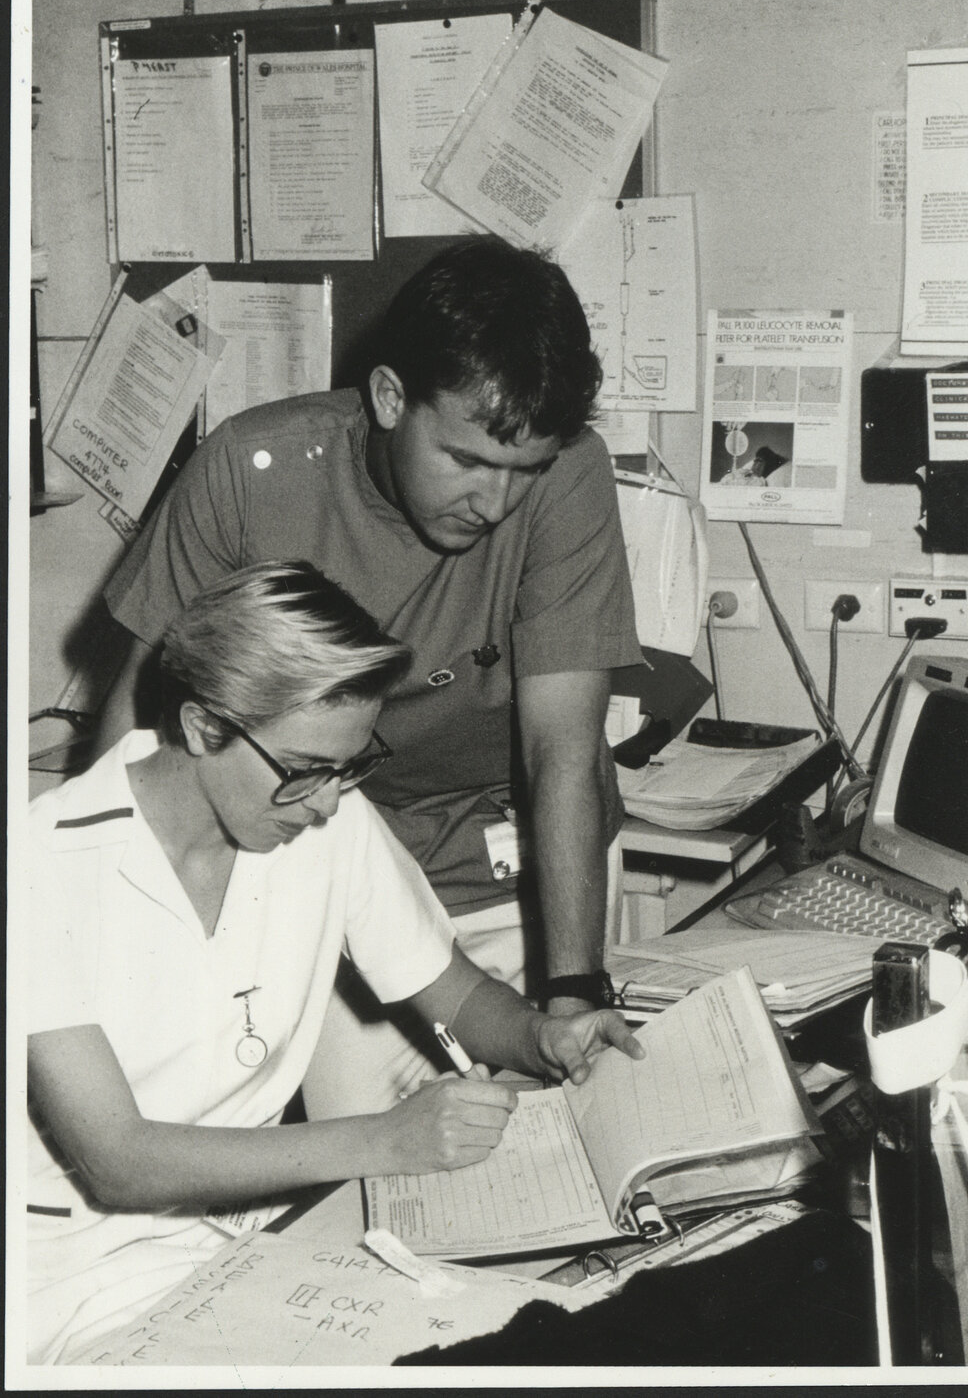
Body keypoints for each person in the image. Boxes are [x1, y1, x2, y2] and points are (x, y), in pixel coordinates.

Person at [27, 563, 643, 1365]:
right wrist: (387, 1141)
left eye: (350, 766)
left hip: (244, 1244)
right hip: (67, 1283)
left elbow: (453, 995)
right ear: (205, 726)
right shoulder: (39, 865)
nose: (326, 802)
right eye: (304, 770)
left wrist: (540, 1036)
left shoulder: (329, 819)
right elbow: (119, 1162)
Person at [93, 236, 643, 1117]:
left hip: (519, 858)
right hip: (328, 850)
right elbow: (139, 719)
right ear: (391, 398)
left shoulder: (569, 473)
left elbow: (563, 751)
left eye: (522, 472)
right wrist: (119, 927)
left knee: (563, 1141)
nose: (495, 504)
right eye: (465, 460)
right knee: (376, 1165)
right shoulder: (250, 470)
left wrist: (576, 989)